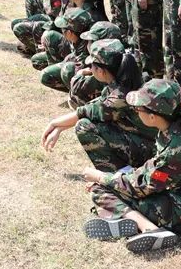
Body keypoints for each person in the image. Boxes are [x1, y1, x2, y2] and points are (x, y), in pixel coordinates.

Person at [81, 79, 181, 254]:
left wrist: (101, 177)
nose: (135, 111)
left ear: (153, 116)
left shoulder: (177, 147)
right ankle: (124, 219)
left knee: (100, 190)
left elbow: (141, 187)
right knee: (111, 186)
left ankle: (148, 228)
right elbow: (156, 173)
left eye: (138, 109)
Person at [42, 39, 156, 172]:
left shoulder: (120, 96)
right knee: (95, 121)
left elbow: (85, 112)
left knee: (84, 126)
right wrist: (59, 128)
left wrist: (54, 124)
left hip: (150, 152)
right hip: (148, 142)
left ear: (101, 71)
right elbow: (92, 107)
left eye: (92, 66)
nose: (90, 69)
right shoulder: (127, 81)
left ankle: (122, 175)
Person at [69, 21, 124, 106]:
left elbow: (77, 87)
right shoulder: (122, 55)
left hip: (116, 104)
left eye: (92, 41)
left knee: (74, 97)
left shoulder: (107, 65)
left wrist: (80, 74)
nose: (88, 44)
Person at [38, 9, 94, 92]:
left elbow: (83, 66)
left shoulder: (89, 46)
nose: (62, 32)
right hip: (77, 61)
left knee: (48, 75)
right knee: (38, 61)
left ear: (69, 33)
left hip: (89, 73)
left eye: (63, 30)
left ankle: (77, 94)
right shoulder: (79, 35)